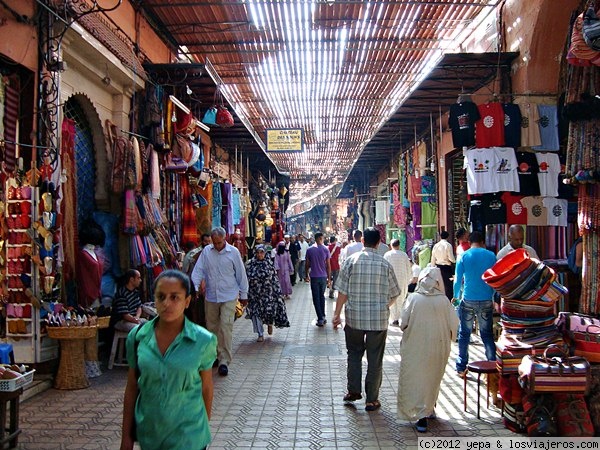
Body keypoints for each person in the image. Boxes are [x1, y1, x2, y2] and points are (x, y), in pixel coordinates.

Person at [120, 270, 217, 450]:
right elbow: (132, 387)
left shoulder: (203, 340)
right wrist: (126, 438)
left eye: (175, 297)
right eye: (161, 297)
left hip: (189, 437)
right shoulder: (137, 337)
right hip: (150, 435)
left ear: (187, 301)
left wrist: (201, 429)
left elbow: (206, 388)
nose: (167, 303)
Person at [333, 228, 401, 412]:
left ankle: (353, 390)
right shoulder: (384, 264)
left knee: (354, 354)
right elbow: (395, 293)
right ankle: (372, 399)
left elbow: (342, 292)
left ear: (363, 241)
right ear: (379, 243)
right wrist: (384, 306)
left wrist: (336, 314)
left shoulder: (350, 261)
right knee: (375, 358)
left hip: (354, 318)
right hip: (378, 321)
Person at [397, 266, 459, 433]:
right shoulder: (444, 301)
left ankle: (421, 414)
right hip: (439, 347)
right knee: (433, 377)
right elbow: (455, 325)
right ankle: (429, 408)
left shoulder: (413, 298)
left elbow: (403, 322)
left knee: (417, 378)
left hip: (415, 346)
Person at [191, 227, 248, 377]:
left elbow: (241, 274)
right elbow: (198, 271)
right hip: (211, 296)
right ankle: (215, 355)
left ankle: (224, 361)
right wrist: (194, 287)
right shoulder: (206, 252)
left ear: (225, 239)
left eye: (219, 242)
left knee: (225, 326)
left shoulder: (233, 253)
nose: (217, 245)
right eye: (214, 243)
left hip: (229, 295)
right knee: (212, 327)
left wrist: (244, 294)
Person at [453, 231, 497, 378]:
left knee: (464, 334)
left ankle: (461, 367)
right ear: (483, 242)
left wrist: (455, 297)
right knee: (487, 335)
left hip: (468, 299)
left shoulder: (463, 256)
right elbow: (496, 278)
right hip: (486, 299)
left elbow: (458, 280)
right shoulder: (491, 256)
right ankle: (492, 365)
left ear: (469, 242)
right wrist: (494, 297)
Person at [245, 245, 290, 342]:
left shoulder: (269, 264)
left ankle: (270, 324)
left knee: (268, 312)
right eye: (258, 252)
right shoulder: (250, 264)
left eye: (262, 252)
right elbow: (246, 279)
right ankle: (260, 334)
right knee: (256, 314)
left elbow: (274, 279)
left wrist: (277, 293)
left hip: (268, 294)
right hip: (255, 294)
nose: (260, 255)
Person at [383, 239, 412, 326]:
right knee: (401, 298)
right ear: (399, 245)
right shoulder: (404, 255)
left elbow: (385, 268)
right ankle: (400, 317)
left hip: (391, 280)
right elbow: (408, 268)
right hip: (402, 279)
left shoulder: (387, 255)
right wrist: (408, 279)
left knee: (392, 298)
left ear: (391, 245)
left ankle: (394, 318)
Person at [305, 232, 331, 327]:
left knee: (316, 298)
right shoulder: (325, 249)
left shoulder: (310, 250)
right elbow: (328, 265)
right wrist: (329, 279)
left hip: (314, 277)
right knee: (322, 296)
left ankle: (320, 318)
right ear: (320, 238)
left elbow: (307, 264)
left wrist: (306, 275)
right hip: (323, 277)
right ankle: (322, 316)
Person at [430, 230, 456, 300]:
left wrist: (432, 267)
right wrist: (454, 261)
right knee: (448, 286)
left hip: (438, 267)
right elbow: (451, 257)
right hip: (446, 267)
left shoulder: (436, 246)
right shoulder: (448, 245)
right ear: (447, 237)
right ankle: (448, 300)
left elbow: (433, 257)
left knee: (440, 285)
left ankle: (440, 300)